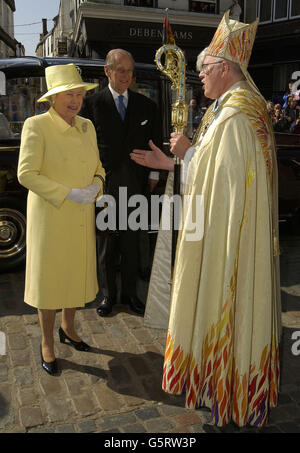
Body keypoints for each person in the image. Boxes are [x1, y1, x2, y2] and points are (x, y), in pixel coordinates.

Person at [130, 11, 281, 427]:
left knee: (227, 307)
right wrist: (176, 159)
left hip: (231, 241)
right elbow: (217, 170)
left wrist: (183, 156)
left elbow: (226, 183)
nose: (200, 79)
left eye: (204, 70)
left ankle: (233, 395)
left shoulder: (237, 115)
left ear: (224, 67)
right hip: (229, 229)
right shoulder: (228, 107)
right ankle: (220, 388)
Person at [17, 64, 105, 375]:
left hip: (81, 215)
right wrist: (67, 193)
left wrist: (97, 185)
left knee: (73, 274)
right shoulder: (36, 125)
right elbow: (26, 174)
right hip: (52, 216)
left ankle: (68, 328)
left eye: (79, 94)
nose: (75, 100)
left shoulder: (87, 126)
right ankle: (47, 343)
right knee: (51, 279)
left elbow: (98, 167)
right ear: (53, 97)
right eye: (69, 94)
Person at [81, 49, 161, 317]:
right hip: (105, 183)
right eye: (121, 70)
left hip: (136, 184)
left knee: (131, 241)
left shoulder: (147, 105)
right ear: (107, 71)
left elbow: (154, 142)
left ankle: (130, 295)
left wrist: (153, 176)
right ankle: (107, 295)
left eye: (130, 70)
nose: (127, 76)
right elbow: (84, 147)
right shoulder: (91, 104)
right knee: (107, 243)